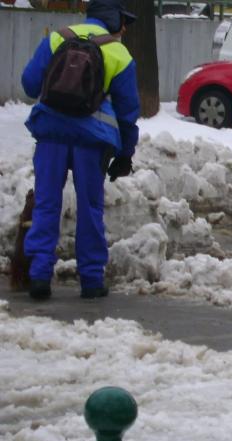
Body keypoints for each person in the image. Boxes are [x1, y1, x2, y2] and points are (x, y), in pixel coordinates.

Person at [21, 0, 140, 300]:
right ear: (112, 19)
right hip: (92, 141)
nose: (124, 28)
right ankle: (90, 280)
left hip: (50, 134)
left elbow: (30, 84)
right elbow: (128, 113)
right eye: (123, 21)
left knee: (47, 202)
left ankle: (38, 276)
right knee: (89, 207)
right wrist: (125, 153)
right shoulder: (119, 54)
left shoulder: (57, 38)